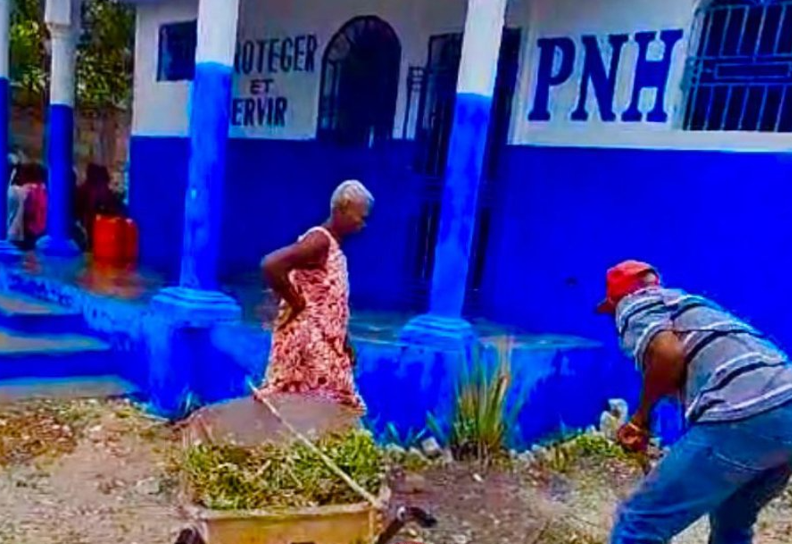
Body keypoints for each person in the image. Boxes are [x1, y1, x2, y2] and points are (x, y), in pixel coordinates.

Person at [599, 260, 792, 544]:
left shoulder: (635, 304)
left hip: (745, 412)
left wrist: (640, 418)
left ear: (616, 301)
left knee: (639, 522)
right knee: (733, 518)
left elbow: (667, 355)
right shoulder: (693, 306)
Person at [254, 180, 374, 414]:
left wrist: (343, 340)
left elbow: (329, 300)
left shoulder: (332, 247)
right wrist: (296, 302)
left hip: (325, 344)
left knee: (325, 406)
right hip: (309, 345)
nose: (362, 224)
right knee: (317, 405)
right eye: (360, 216)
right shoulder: (318, 241)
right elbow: (271, 265)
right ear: (343, 209)